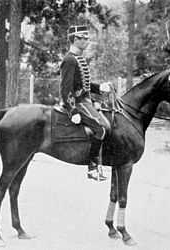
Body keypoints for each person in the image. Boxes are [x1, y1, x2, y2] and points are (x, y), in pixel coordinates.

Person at [60, 25, 111, 181]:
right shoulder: (69, 60)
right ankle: (92, 167)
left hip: (86, 100)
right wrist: (72, 110)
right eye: (84, 38)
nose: (87, 41)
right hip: (78, 103)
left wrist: (99, 87)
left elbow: (83, 84)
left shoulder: (78, 58)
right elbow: (66, 88)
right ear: (76, 39)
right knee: (101, 127)